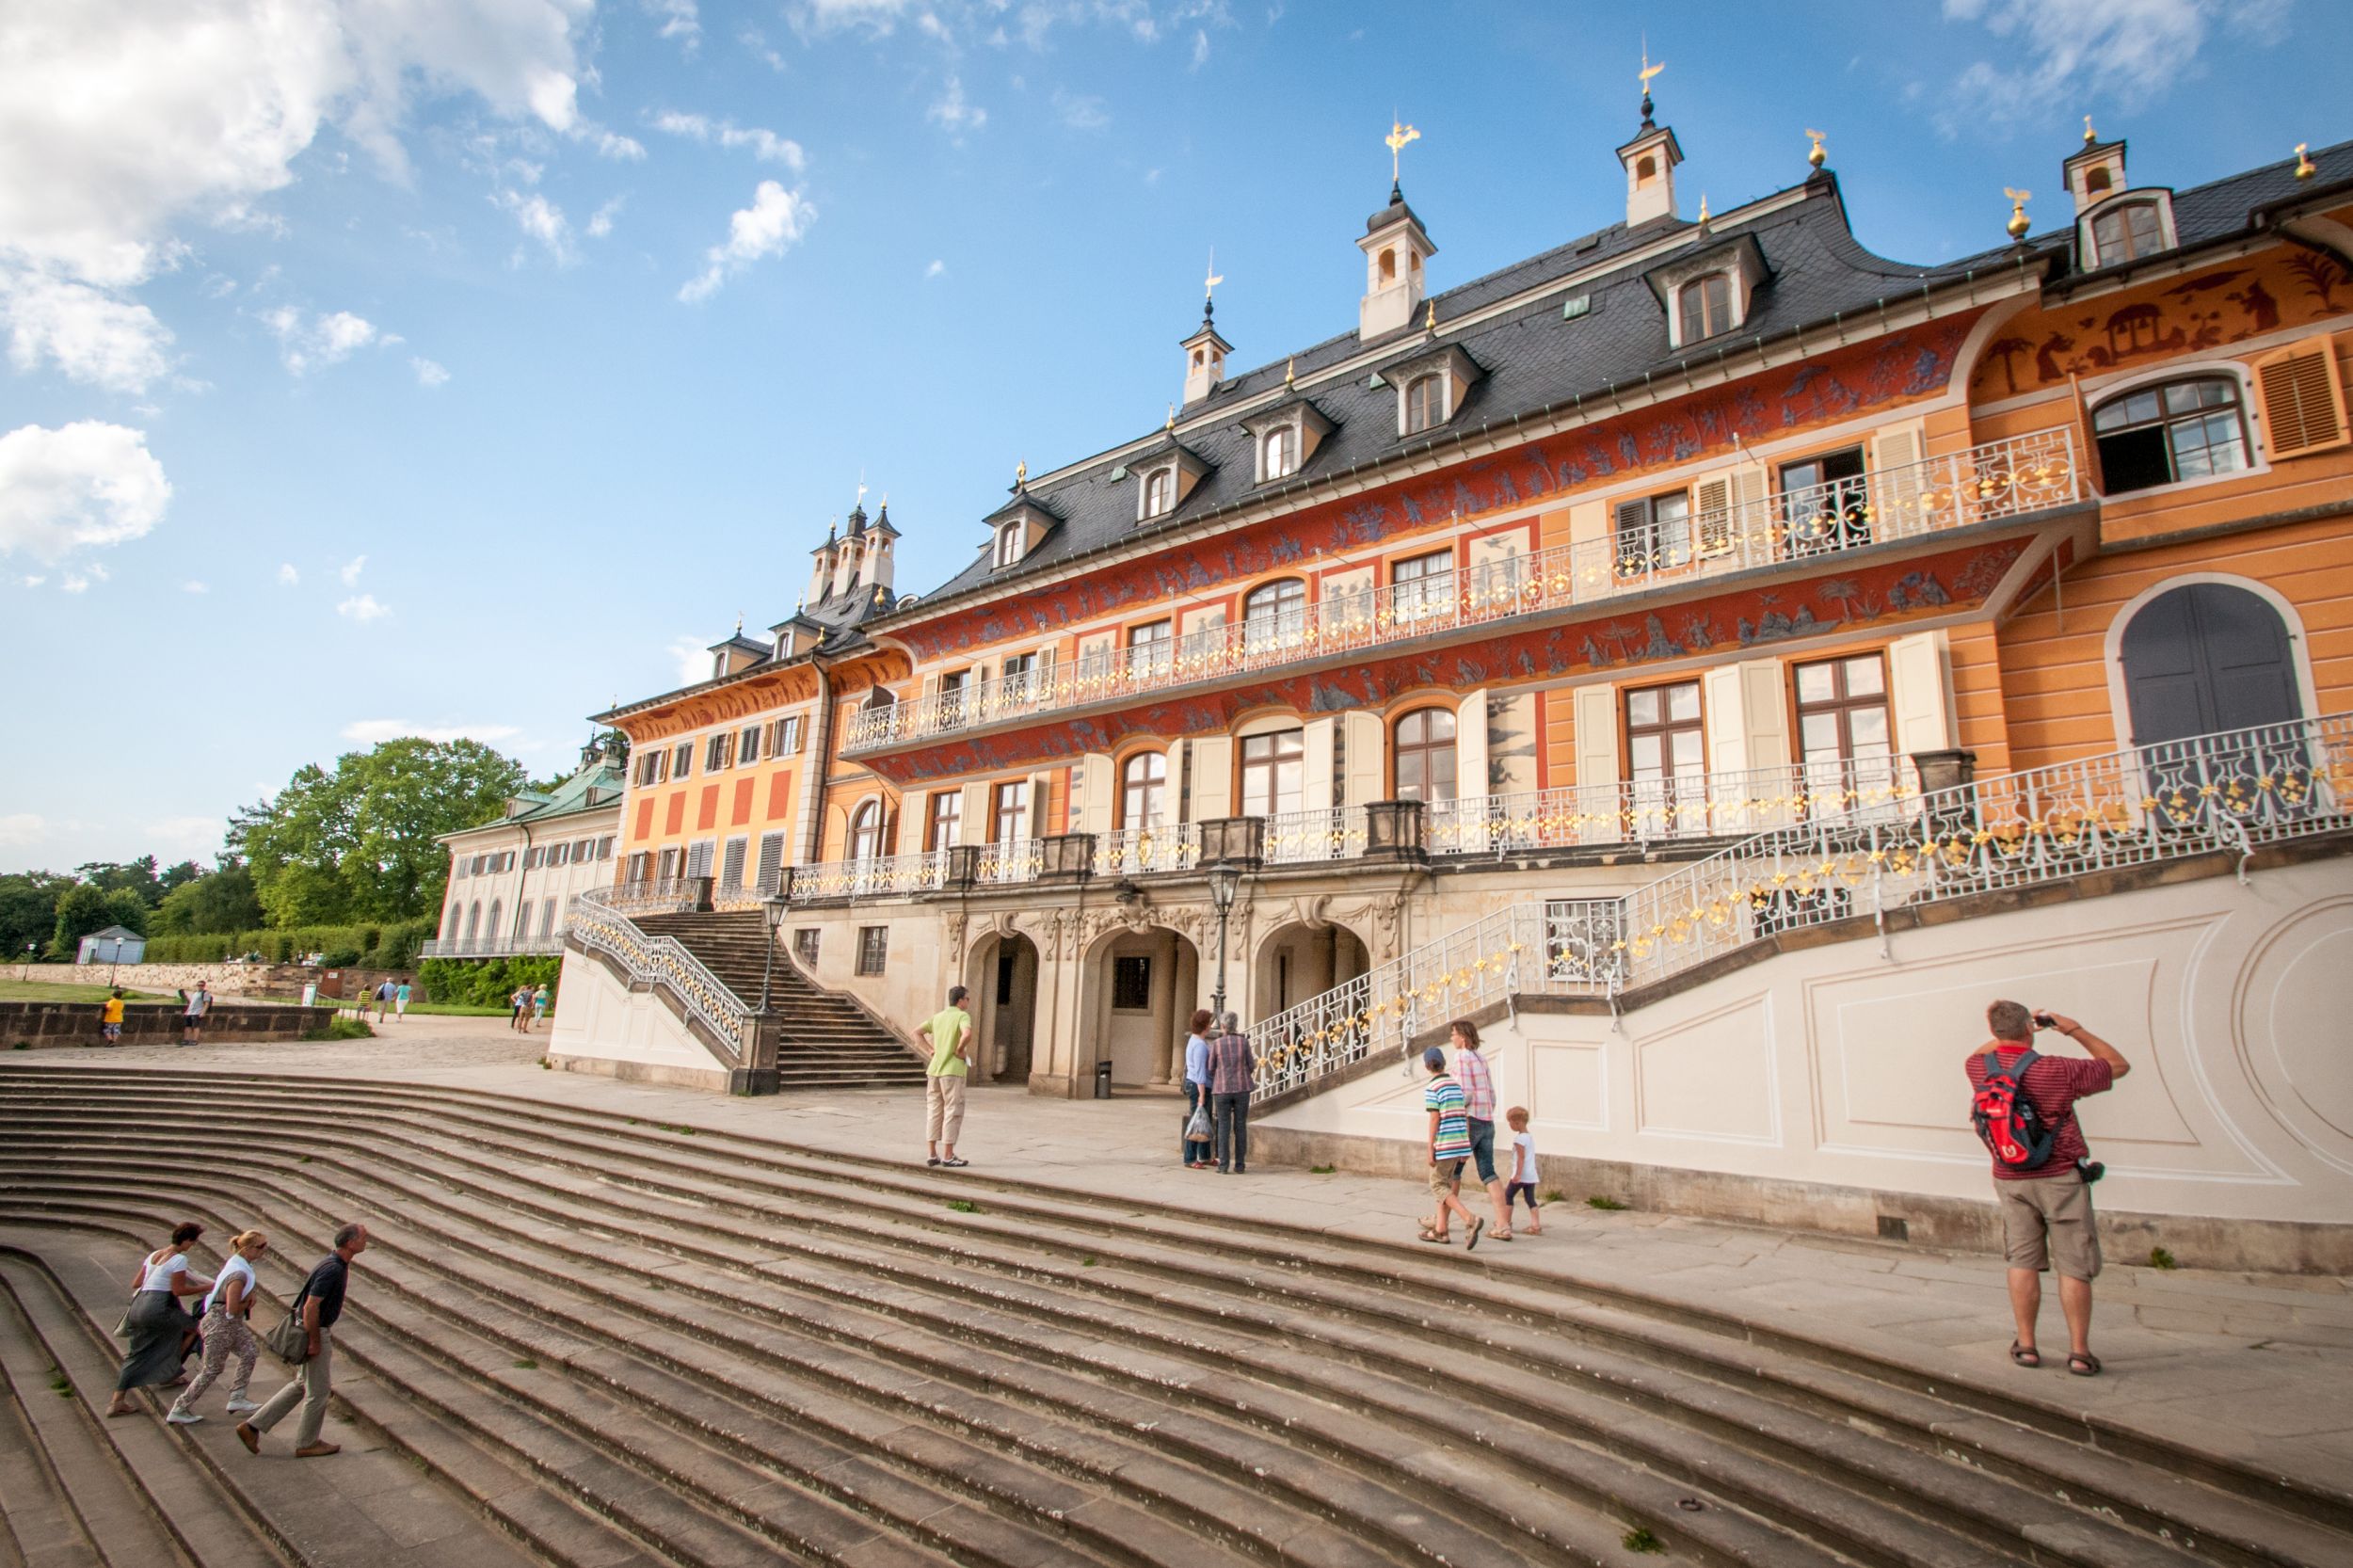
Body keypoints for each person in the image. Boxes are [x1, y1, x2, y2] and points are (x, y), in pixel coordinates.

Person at [1965, 1000, 2130, 1378]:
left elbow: (1981, 1052)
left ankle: (2026, 1345)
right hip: (2059, 1178)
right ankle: (2079, 1352)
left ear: (1994, 1031)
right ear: (2029, 1027)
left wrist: (2012, 1033)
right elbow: (2117, 1065)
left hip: (2009, 1177)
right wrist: (2071, 1028)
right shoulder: (2056, 1069)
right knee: (2074, 1265)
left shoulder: (1979, 1068)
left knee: (2022, 1260)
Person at [238, 1222, 368, 1458]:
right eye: (363, 1238)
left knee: (301, 1384)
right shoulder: (333, 1269)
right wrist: (314, 1341)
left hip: (311, 1328)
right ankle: (307, 1442)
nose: (366, 1242)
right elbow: (310, 1306)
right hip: (314, 1330)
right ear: (350, 1243)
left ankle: (253, 1426)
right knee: (318, 1392)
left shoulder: (334, 1263)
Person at [107, 1222, 213, 1416]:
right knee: (197, 1328)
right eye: (193, 1242)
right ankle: (168, 1373)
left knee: (137, 1353)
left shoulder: (154, 1255)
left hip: (138, 1306)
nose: (193, 1245)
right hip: (158, 1306)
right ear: (186, 1240)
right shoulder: (179, 1259)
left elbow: (136, 1283)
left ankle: (117, 1401)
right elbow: (178, 1290)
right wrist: (208, 1287)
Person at [167, 1230, 269, 1425]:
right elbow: (232, 1307)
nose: (264, 1251)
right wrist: (248, 1303)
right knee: (212, 1369)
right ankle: (180, 1407)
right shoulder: (238, 1274)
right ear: (248, 1249)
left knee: (249, 1351)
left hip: (230, 1323)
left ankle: (237, 1396)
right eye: (260, 1247)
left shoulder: (240, 1265)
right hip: (220, 1323)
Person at [1450, 1019, 1513, 1240]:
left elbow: (1465, 1093)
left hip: (1470, 1120)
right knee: (1488, 1171)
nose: (1451, 1038)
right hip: (1487, 1120)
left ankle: (1443, 1220)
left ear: (1463, 1037)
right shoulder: (1480, 1057)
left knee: (1452, 1170)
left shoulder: (1462, 1057)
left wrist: (1455, 1113)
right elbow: (1491, 1094)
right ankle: (1503, 1224)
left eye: (1453, 1034)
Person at [1420, 1048, 1481, 1246]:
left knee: (1437, 1185)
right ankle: (1441, 1231)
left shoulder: (1433, 1087)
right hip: (1459, 1143)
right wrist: (1465, 1146)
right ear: (1444, 1063)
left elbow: (1434, 1118)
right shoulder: (1455, 1086)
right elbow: (1464, 1115)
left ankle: (1469, 1218)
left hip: (1445, 1143)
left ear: (1427, 1066)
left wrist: (1430, 1148)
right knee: (1445, 1186)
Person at [923, 985, 972, 1168]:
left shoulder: (938, 1017)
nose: (968, 1002)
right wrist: (959, 1049)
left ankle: (932, 1154)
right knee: (953, 1111)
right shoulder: (962, 1016)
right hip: (952, 1070)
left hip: (934, 1069)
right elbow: (967, 1034)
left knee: (934, 1110)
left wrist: (930, 1050)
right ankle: (948, 1155)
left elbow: (916, 1032)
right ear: (960, 1001)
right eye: (967, 999)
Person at [1208, 1010, 1254, 1175]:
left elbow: (1211, 1067)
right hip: (1242, 1088)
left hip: (1222, 1089)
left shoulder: (1217, 1044)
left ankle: (1223, 1165)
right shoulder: (1244, 1043)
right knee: (1240, 1126)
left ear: (1223, 1025)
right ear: (1236, 1025)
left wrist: (1220, 1074)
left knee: (1223, 1127)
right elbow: (1251, 1065)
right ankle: (1240, 1165)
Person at [1181, 1008, 1215, 1169]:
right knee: (1197, 1120)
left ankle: (1205, 1155)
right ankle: (1190, 1157)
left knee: (1204, 1120)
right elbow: (1200, 1071)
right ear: (1205, 1026)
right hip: (1199, 1085)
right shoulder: (1200, 1045)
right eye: (1209, 1023)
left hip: (1198, 1083)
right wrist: (1201, 1094)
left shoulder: (1194, 1040)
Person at [1503, 1106, 1544, 1235]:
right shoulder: (1529, 1137)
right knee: (1530, 1199)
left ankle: (1506, 1223)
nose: (1509, 1125)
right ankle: (1536, 1226)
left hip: (1521, 1175)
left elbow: (1521, 1157)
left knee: (1508, 1196)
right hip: (1531, 1175)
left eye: (1510, 1122)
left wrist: (1518, 1174)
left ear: (1517, 1123)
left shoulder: (1519, 1139)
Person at [182, 981, 212, 1046]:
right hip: (190, 1012)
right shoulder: (195, 993)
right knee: (187, 1026)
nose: (200, 986)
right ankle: (186, 1039)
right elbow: (191, 1003)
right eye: (199, 985)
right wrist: (187, 1011)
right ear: (196, 985)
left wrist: (203, 1012)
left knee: (196, 1026)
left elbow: (207, 1003)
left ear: (204, 986)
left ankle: (195, 1040)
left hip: (197, 1012)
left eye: (202, 985)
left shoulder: (205, 993)